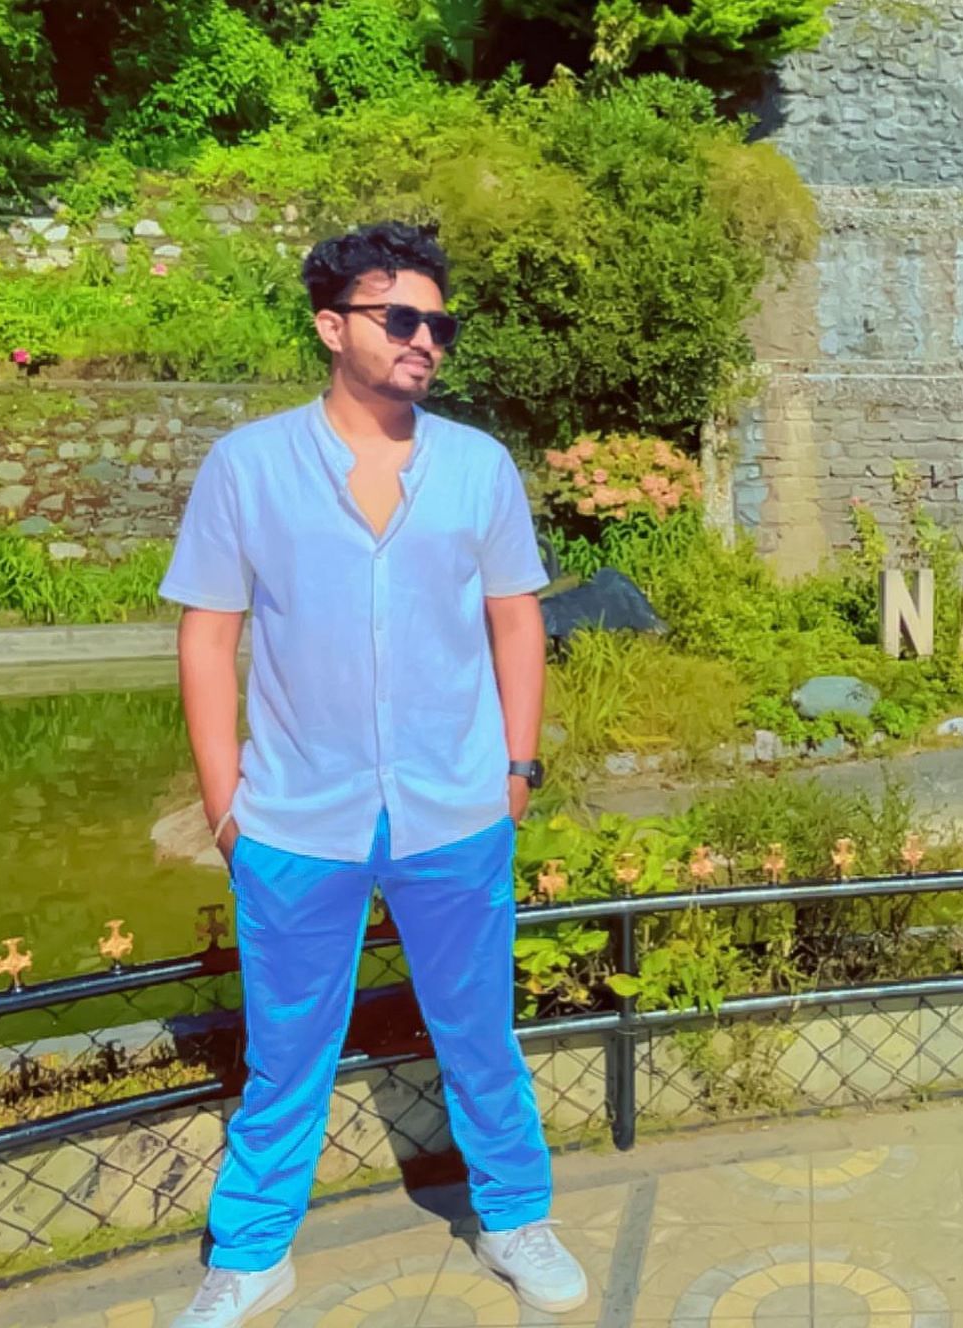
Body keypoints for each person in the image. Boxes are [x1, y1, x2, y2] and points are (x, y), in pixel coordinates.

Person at [161, 221, 587, 1327]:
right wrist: (224, 805)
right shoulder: (249, 466)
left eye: (439, 324)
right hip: (297, 815)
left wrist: (516, 769)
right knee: (286, 1048)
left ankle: (515, 1216)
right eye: (400, 317)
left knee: (479, 1032)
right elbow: (208, 635)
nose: (424, 339)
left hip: (456, 807)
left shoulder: (476, 466)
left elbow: (516, 618)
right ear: (330, 325)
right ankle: (253, 1250)